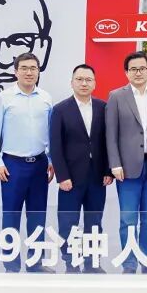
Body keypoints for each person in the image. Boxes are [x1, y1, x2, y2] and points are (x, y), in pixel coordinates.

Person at [106, 51, 147, 274]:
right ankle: (129, 263)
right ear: (126, 72)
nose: (138, 73)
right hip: (126, 169)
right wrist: (115, 163)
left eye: (142, 68)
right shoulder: (116, 96)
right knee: (128, 219)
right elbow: (111, 134)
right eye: (133, 69)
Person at [0, 52, 55, 273]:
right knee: (11, 216)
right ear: (15, 71)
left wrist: (51, 159)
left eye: (33, 68)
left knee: (38, 216)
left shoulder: (46, 98)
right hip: (12, 165)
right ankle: (11, 265)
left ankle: (36, 263)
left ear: (38, 71)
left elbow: (51, 133)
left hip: (39, 164)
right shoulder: (3, 98)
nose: (29, 72)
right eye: (24, 68)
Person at [50, 64, 112, 273]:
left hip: (97, 176)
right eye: (79, 79)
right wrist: (62, 176)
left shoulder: (103, 108)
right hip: (71, 177)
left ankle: (92, 262)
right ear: (72, 82)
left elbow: (108, 142)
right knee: (68, 222)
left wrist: (108, 170)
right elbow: (56, 146)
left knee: (95, 221)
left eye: (88, 80)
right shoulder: (60, 109)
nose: (84, 83)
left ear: (95, 83)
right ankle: (71, 262)